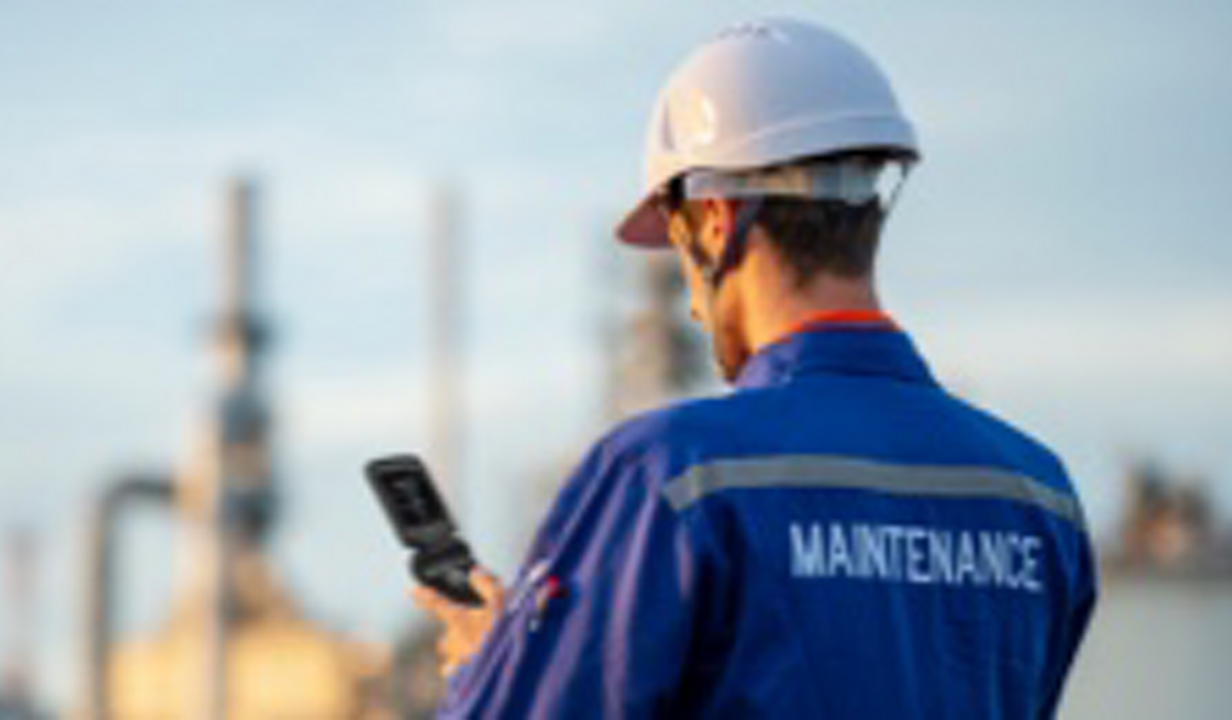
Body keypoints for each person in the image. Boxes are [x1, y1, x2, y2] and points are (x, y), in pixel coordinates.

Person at [410, 17, 1097, 719]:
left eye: (679, 249)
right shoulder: (1039, 497)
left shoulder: (670, 474)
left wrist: (490, 673)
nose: (693, 305)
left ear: (716, 221)